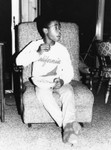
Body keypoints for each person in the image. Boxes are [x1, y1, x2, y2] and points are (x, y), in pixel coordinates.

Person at [16, 15, 82, 145]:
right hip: (41, 83)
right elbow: (18, 61)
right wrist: (37, 53)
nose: (60, 31)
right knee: (43, 95)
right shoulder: (35, 45)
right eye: (56, 28)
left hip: (58, 81)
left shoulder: (62, 49)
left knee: (68, 93)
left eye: (60, 28)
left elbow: (69, 70)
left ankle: (68, 129)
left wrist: (62, 80)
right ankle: (68, 128)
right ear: (45, 30)